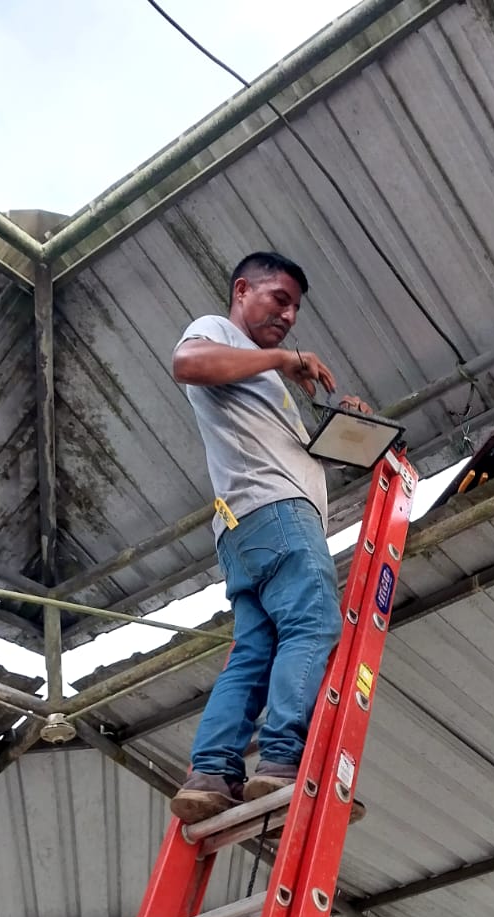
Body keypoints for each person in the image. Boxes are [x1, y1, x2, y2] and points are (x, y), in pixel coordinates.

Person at [168, 250, 372, 823]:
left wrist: (350, 427)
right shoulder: (217, 332)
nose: (288, 316)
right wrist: (282, 358)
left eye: (295, 309)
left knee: (255, 652)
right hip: (278, 516)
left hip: (244, 529)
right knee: (313, 624)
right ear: (242, 291)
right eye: (279, 300)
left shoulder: (258, 378)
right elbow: (186, 361)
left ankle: (211, 772)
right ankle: (284, 760)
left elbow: (292, 458)